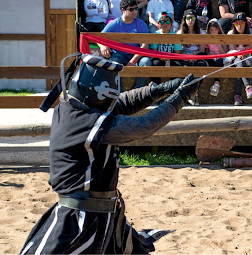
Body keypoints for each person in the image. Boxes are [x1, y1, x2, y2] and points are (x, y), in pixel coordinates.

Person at [20, 54, 198, 255]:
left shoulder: (74, 107)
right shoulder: (81, 119)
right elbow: (142, 127)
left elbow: (123, 103)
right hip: (79, 219)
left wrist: (158, 90)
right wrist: (180, 97)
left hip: (103, 214)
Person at [100, 0, 150, 89]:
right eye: (131, 9)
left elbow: (145, 46)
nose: (135, 11)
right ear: (123, 10)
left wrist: (133, 61)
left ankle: (137, 91)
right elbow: (100, 37)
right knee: (114, 61)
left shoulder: (141, 24)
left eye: (136, 9)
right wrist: (103, 46)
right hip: (119, 55)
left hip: (136, 55)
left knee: (146, 62)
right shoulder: (115, 23)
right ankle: (120, 93)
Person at [138, 12, 183, 84]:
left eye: (168, 22)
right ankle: (157, 87)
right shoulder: (156, 34)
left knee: (177, 66)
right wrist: (161, 57)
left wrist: (169, 58)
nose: (165, 24)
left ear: (171, 25)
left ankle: (174, 86)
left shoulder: (175, 35)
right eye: (162, 22)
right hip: (159, 57)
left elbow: (178, 52)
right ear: (158, 24)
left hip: (172, 57)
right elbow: (154, 51)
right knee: (155, 65)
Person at [177, 9, 208, 105]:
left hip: (197, 55)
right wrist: (187, 56)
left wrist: (194, 55)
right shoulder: (179, 33)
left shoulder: (201, 32)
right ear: (185, 19)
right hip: (184, 56)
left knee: (202, 66)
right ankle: (189, 94)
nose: (190, 20)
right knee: (185, 67)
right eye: (188, 18)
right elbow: (178, 51)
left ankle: (195, 92)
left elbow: (202, 50)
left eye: (193, 18)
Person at [226, 12, 252, 106]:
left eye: (242, 23)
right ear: (233, 24)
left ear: (245, 24)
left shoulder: (250, 35)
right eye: (236, 23)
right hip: (233, 57)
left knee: (240, 63)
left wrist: (243, 54)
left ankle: (238, 96)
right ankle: (247, 86)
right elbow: (232, 49)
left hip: (246, 58)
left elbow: (249, 50)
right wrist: (238, 54)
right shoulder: (230, 34)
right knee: (239, 62)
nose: (239, 26)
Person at [205, 19, 228, 97]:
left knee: (219, 61)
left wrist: (218, 43)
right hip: (211, 57)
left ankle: (216, 83)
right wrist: (209, 53)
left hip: (220, 58)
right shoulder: (207, 39)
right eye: (211, 30)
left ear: (218, 30)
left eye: (215, 30)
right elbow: (206, 51)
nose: (213, 32)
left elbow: (224, 53)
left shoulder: (222, 38)